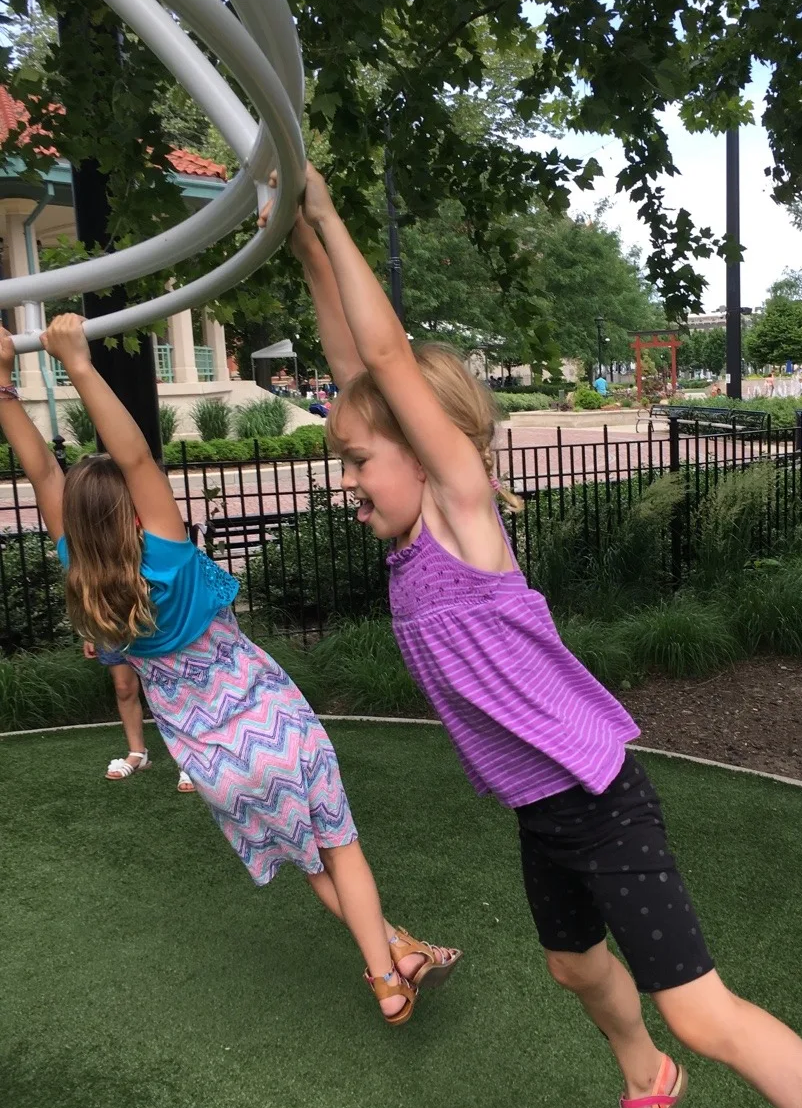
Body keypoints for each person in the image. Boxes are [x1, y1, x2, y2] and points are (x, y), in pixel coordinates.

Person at [281, 161, 802, 1108]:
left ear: (427, 445)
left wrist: (328, 209)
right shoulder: (410, 543)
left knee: (703, 1013)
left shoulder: (462, 519)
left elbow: (379, 352)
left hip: (598, 796)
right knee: (571, 964)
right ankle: (646, 1079)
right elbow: (352, 360)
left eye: (360, 460)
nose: (349, 481)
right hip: (543, 810)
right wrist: (300, 244)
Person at [0, 316, 459, 1027]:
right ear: (134, 508)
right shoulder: (166, 554)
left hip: (214, 760)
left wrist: (3, 387)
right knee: (343, 849)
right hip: (275, 723)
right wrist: (78, 366)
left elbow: (39, 470)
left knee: (317, 866)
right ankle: (387, 972)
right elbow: (138, 461)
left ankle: (395, 961)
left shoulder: (80, 569)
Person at [85, 640, 195, 792]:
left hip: (156, 620)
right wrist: (90, 633)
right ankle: (138, 754)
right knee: (123, 687)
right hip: (115, 624)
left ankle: (191, 760)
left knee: (174, 685)